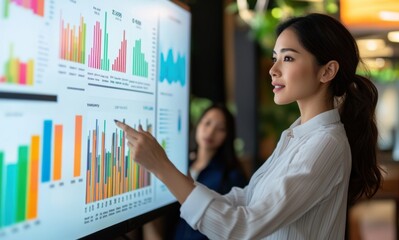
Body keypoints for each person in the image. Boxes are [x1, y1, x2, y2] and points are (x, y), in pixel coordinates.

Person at [116, 13, 383, 239]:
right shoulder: (298, 134)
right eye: (275, 56)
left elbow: (246, 225)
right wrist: (175, 176)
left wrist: (161, 167)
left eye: (288, 58)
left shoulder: (325, 143)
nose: (273, 69)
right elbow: (245, 200)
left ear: (327, 71)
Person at [143, 103, 248, 240]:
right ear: (198, 125)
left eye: (220, 129)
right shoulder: (182, 165)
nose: (210, 132)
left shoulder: (231, 176)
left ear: (228, 135)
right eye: (207, 123)